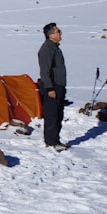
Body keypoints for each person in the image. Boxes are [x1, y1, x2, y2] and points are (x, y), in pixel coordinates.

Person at [38, 22, 68, 151]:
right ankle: (51, 142)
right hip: (52, 86)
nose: (60, 32)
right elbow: (45, 71)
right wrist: (50, 88)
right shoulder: (46, 49)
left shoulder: (55, 48)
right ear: (51, 35)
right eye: (58, 31)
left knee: (58, 114)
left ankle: (55, 140)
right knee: (52, 115)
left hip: (59, 85)